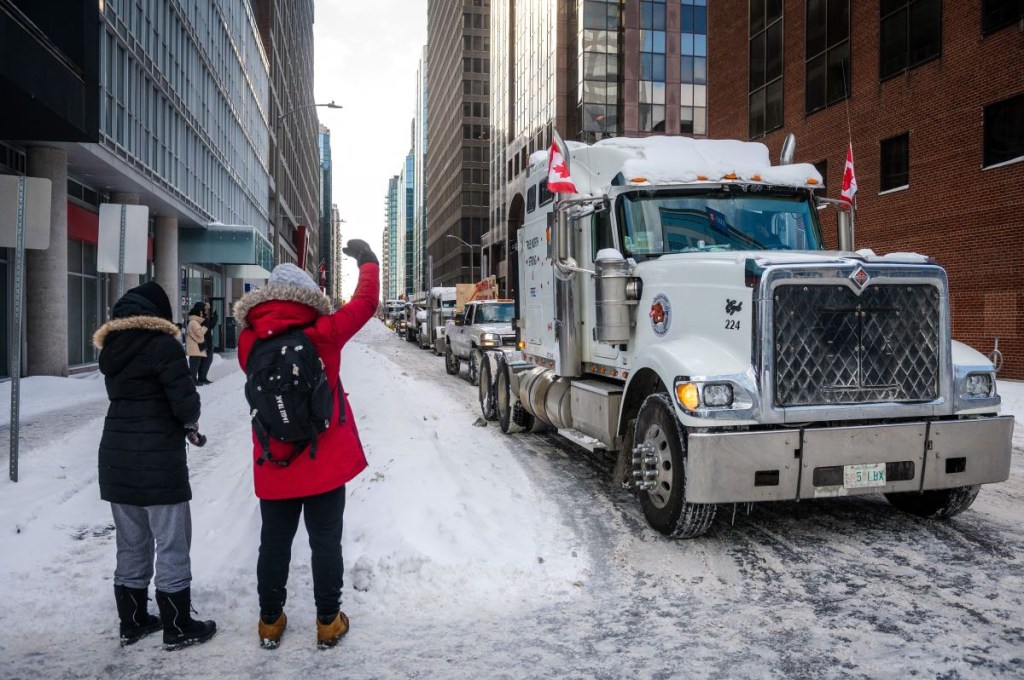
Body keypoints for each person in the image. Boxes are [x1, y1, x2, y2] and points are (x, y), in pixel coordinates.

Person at [233, 240, 379, 650]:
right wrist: (367, 262)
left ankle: (270, 622)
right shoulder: (325, 334)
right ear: (308, 296)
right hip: (323, 462)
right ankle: (328, 622)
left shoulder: (249, 342)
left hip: (272, 462)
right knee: (326, 542)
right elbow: (366, 303)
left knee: (274, 543)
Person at [92, 281, 217, 650]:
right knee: (172, 541)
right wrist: (190, 419)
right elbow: (185, 405)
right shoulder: (163, 345)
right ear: (157, 313)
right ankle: (177, 625)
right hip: (158, 459)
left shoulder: (112, 348)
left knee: (131, 542)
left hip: (116, 457)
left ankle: (132, 621)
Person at [185, 302, 208, 385]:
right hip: (194, 347)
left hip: (195, 346)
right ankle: (193, 380)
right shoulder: (194, 322)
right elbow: (199, 333)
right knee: (194, 365)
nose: (202, 314)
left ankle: (194, 379)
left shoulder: (193, 322)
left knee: (195, 364)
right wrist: (205, 327)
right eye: (200, 313)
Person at [197, 301, 219, 385]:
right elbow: (210, 325)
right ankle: (202, 378)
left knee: (205, 361)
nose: (206, 310)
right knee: (207, 360)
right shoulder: (202, 318)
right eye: (206, 309)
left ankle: (202, 377)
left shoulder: (200, 317)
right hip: (205, 342)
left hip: (204, 341)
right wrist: (215, 318)